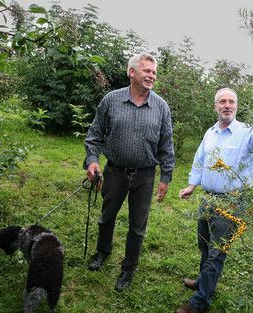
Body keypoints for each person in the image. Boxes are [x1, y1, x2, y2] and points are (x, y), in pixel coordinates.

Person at [176, 70, 253, 313]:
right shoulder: (210, 132)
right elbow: (199, 159)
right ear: (216, 106)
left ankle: (200, 301)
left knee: (216, 253)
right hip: (208, 199)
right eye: (222, 101)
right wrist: (192, 185)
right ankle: (203, 283)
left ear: (236, 106)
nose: (227, 105)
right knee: (204, 245)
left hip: (232, 203)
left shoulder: (246, 132)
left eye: (231, 101)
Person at [83, 52, 175, 292]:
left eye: (154, 72)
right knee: (107, 217)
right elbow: (94, 136)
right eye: (147, 71)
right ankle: (102, 252)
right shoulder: (111, 100)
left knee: (137, 226)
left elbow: (167, 145)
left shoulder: (161, 107)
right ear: (131, 72)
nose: (152, 76)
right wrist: (92, 161)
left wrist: (166, 177)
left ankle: (128, 269)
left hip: (145, 176)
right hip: (114, 172)